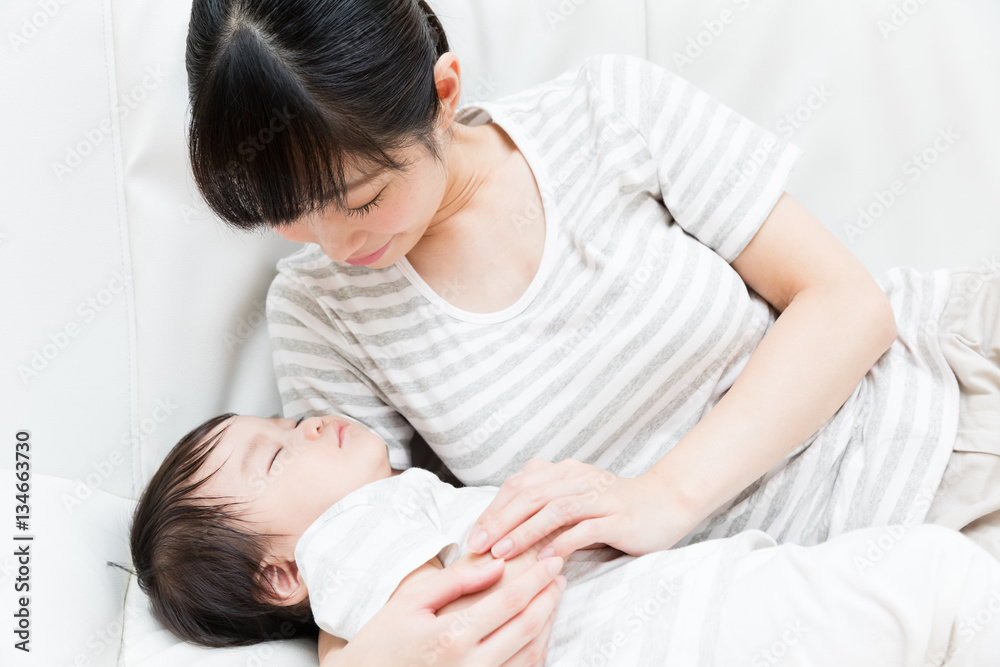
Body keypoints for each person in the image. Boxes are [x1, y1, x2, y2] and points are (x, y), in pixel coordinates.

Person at [184, 0, 1000, 663]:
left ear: (442, 90)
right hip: (785, 599)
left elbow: (847, 303)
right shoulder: (321, 312)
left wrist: (663, 496)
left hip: (932, 436)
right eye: (288, 217)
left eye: (359, 198)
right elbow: (357, 543)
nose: (334, 242)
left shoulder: (611, 114)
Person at [130, 411, 1000, 666]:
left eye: (286, 417)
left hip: (686, 610)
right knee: (935, 582)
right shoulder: (345, 544)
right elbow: (458, 602)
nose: (307, 421)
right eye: (276, 450)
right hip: (671, 628)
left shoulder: (397, 505)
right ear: (282, 573)